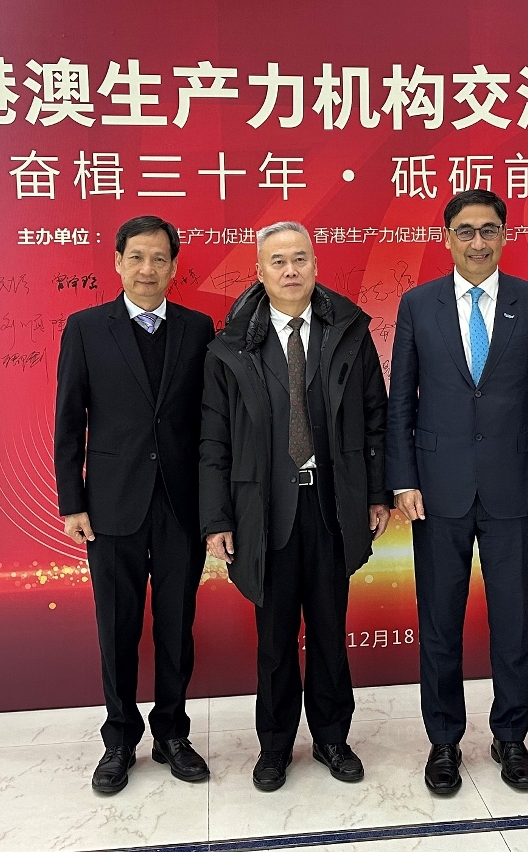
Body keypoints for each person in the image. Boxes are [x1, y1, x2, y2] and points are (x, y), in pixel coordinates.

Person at [386, 189, 528, 794]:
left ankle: (511, 736)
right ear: (447, 239)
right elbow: (400, 399)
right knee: (440, 623)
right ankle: (443, 741)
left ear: (505, 236)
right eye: (465, 230)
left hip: (517, 487)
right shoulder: (418, 304)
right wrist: (403, 478)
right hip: (436, 489)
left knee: (513, 623)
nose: (478, 241)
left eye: (489, 229)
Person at [200, 222, 390, 792]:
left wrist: (376, 493)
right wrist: (217, 518)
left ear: (315, 265)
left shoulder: (349, 333)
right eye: (278, 261)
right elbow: (213, 440)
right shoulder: (230, 346)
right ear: (259, 272)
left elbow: (375, 418)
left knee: (330, 631)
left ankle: (333, 738)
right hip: (265, 511)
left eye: (300, 259)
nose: (290, 270)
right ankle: (275, 745)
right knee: (276, 638)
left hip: (332, 505)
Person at [54, 215, 215, 794]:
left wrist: (215, 505)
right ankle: (119, 739)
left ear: (174, 267)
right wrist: (72, 502)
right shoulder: (86, 328)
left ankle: (172, 732)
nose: (148, 269)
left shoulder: (199, 328)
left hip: (181, 505)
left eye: (159, 259)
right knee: (117, 628)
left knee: (176, 627)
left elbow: (211, 424)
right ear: (118, 262)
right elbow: (69, 420)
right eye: (137, 257)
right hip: (111, 505)